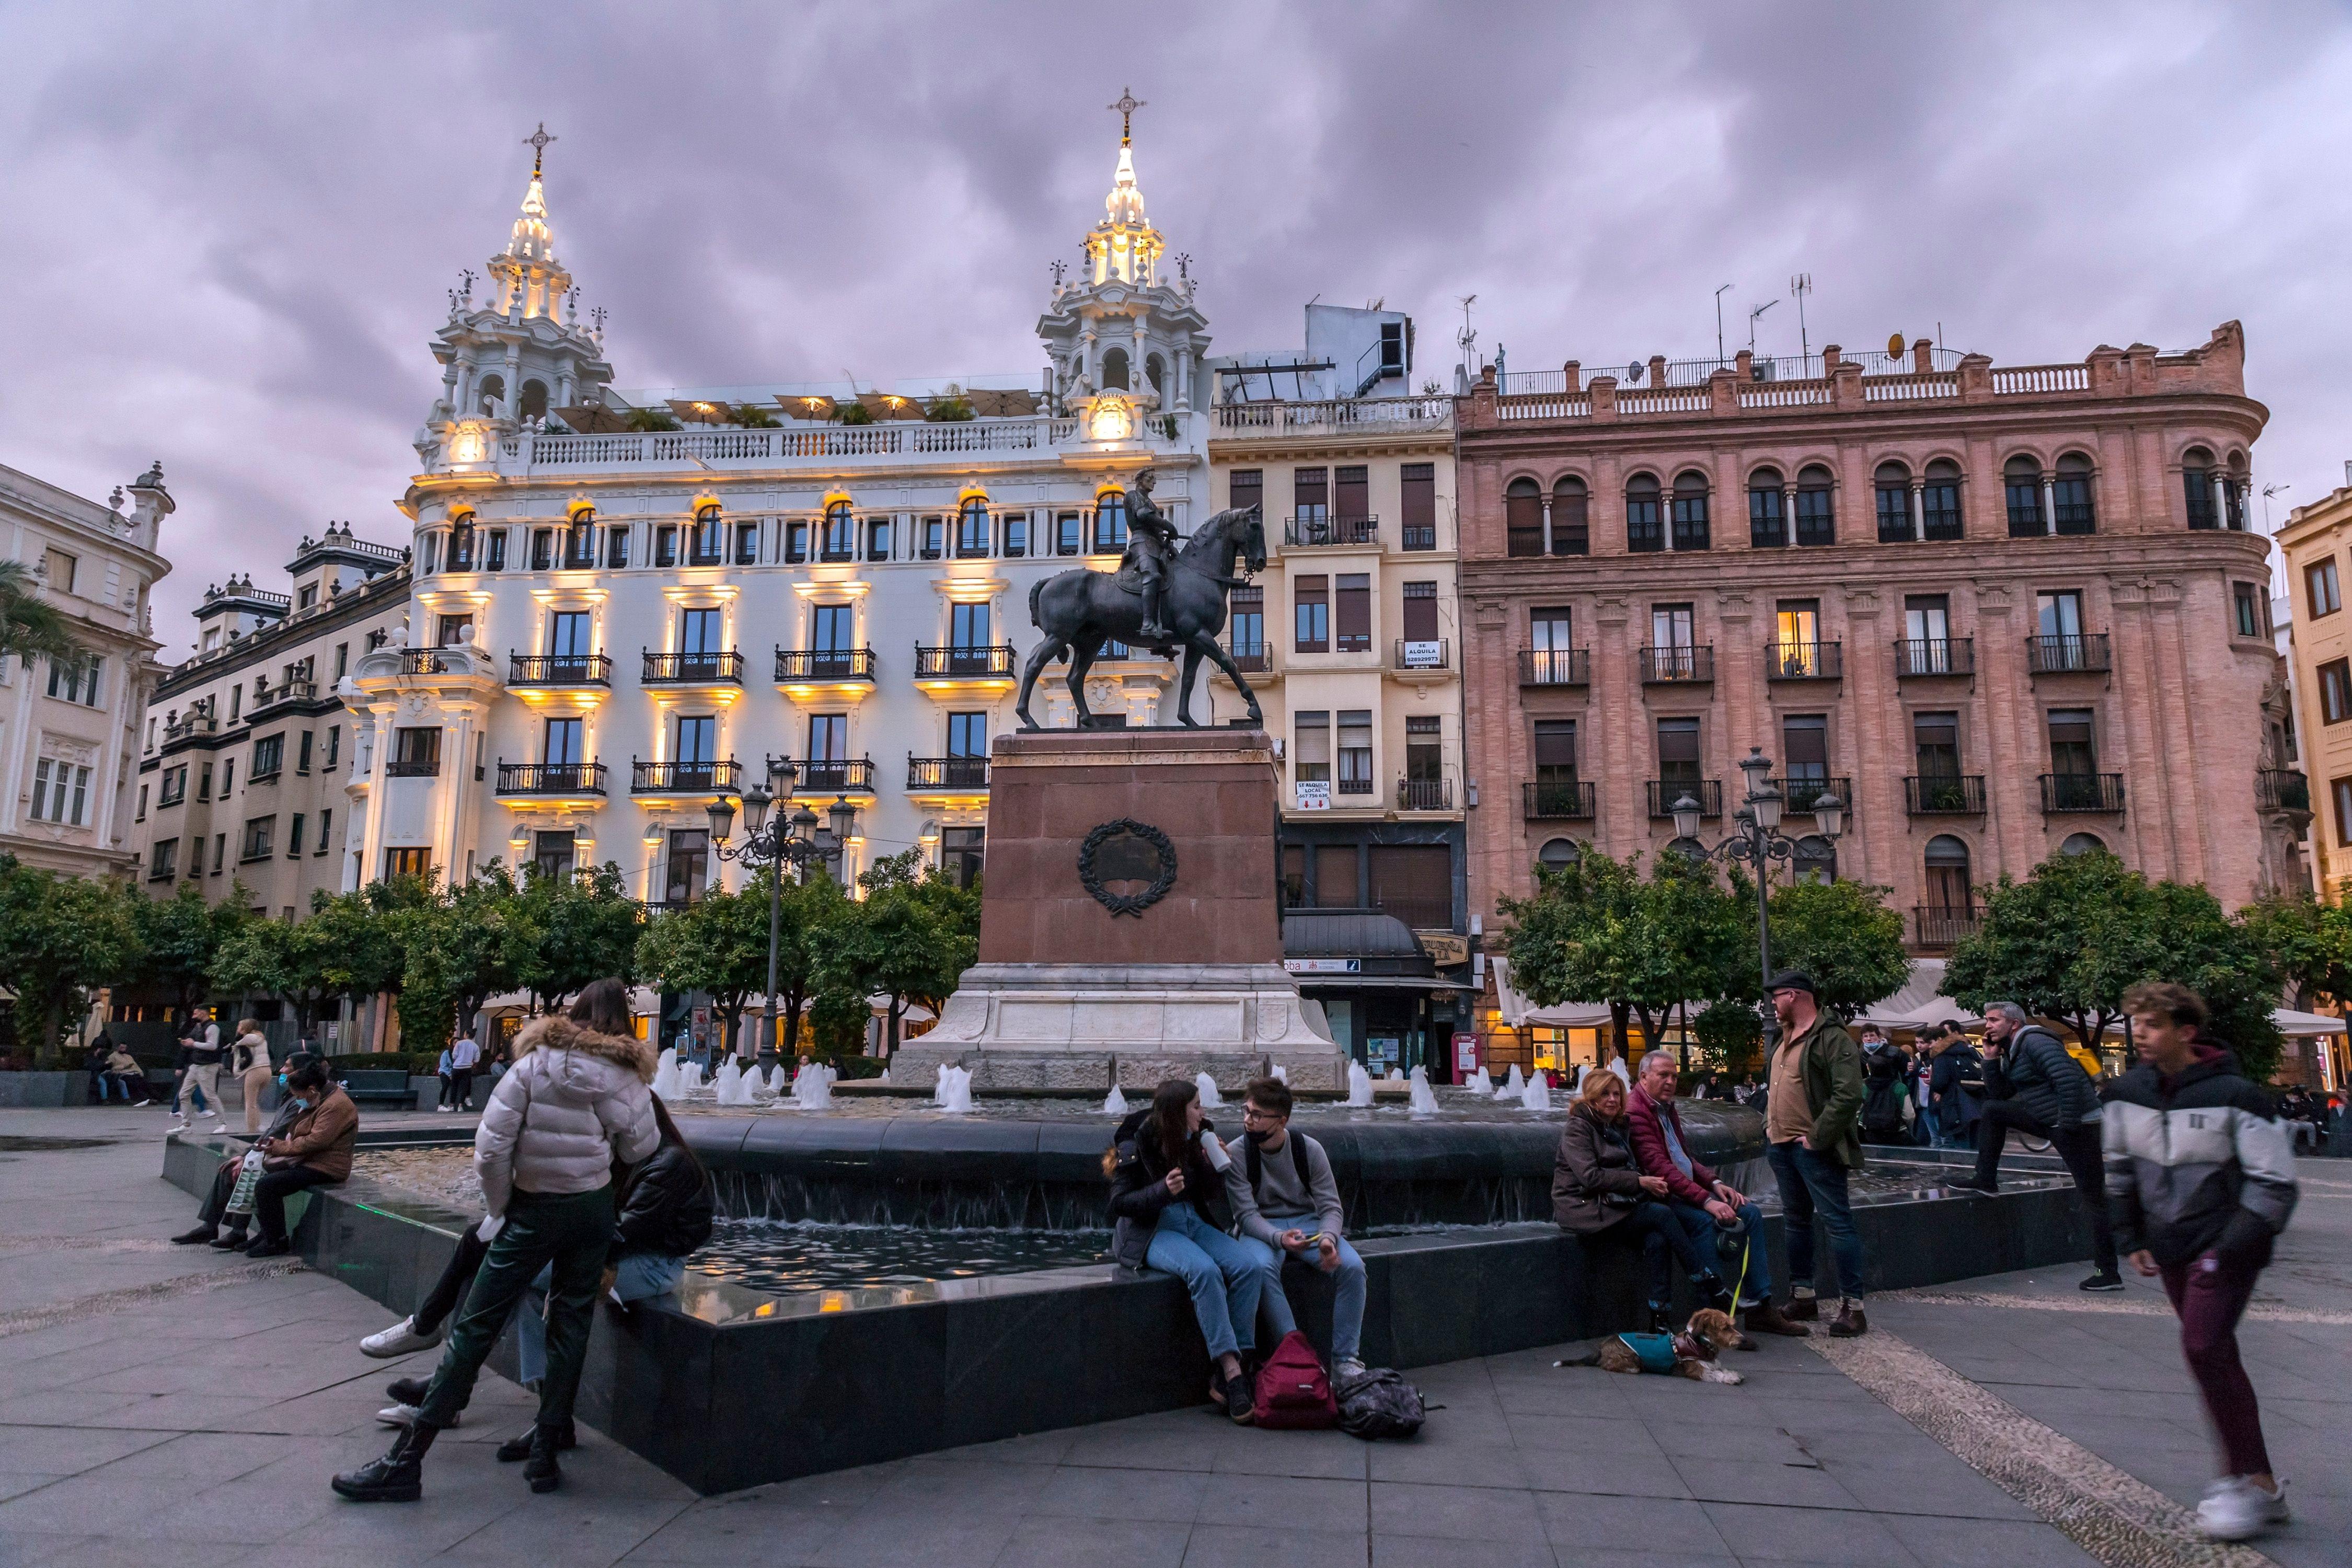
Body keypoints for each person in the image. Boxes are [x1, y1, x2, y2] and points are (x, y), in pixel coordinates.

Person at [332, 978, 658, 1502]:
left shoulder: (533, 1065)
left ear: (572, 1014)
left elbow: (489, 1149)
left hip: (532, 1209)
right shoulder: (624, 1076)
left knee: (475, 1328)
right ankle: (545, 1458)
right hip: (591, 1210)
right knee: (572, 1325)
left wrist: (501, 1206)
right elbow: (643, 1147)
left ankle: (407, 1461)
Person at [2106, 982, 2299, 1542]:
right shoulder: (2124, 1094)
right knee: (2213, 1352)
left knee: (2203, 1345)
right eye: (2136, 1023)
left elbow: (2275, 1183)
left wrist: (2228, 1248)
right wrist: (2129, 1236)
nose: (2141, 1034)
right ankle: (2262, 1484)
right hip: (2169, 1245)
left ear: (2186, 1032)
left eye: (2154, 1024)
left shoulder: (2237, 1095)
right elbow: (2117, 1169)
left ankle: (2237, 1481)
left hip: (2227, 1243)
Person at [1105, 1079, 1265, 1423]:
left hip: (1191, 1220)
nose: (1203, 1112)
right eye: (1196, 1106)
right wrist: (1162, 1190)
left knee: (1249, 1267)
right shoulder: (1136, 1143)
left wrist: (1209, 1163)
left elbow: (1209, 1194)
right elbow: (1119, 1203)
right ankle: (1232, 1371)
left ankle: (1236, 1366)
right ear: (1178, 1113)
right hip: (1152, 1230)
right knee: (1204, 1272)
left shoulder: (1195, 1137)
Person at [1625, 1051, 1808, 1337]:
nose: (1671, 1081)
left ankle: (1761, 1306)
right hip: (1661, 1198)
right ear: (1643, 1078)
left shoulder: (1666, 1106)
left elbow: (1683, 1157)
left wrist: (1714, 1183)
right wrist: (1707, 1201)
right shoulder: (1636, 1111)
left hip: (1685, 1192)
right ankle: (1713, 1319)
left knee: (1750, 1213)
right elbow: (1660, 1168)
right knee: (1706, 1223)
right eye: (1664, 1075)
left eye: (1674, 1075)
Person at [1950, 1001, 2120, 1292]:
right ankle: (1986, 1179)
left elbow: (2067, 1080)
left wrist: (2066, 1127)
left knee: (2093, 1197)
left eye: (1994, 1020)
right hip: (2049, 1119)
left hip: (2078, 1124)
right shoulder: (2011, 1049)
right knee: (1992, 1109)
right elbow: (2002, 1093)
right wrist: (1990, 1060)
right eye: (1987, 1020)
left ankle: (2109, 1272)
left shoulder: (2036, 1042)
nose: (1987, 1026)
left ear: (2014, 1024)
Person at [1552, 1068, 1730, 1333]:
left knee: (1658, 1239)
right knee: (1661, 1214)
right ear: (1590, 1097)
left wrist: (1647, 1182)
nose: (1612, 1099)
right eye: (1604, 1094)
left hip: (1615, 1204)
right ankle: (1706, 1281)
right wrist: (1639, 1182)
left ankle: (1660, 1319)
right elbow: (1590, 1177)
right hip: (1585, 1208)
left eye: (1616, 1094)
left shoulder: (1617, 1126)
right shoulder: (1578, 1128)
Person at [1220, 1076, 1366, 1378]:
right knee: (1261, 1268)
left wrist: (1327, 1239)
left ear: (1282, 1120)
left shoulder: (1308, 1150)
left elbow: (1330, 1207)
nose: (1247, 1120)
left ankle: (1345, 1361)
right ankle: (1295, 1355)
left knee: (1353, 1267)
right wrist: (1278, 1238)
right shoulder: (1236, 1154)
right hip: (1260, 1229)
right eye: (1246, 1111)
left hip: (1307, 1224)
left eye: (1257, 1115)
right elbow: (1246, 1216)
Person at [1761, 971, 1869, 1336]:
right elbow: (1776, 1088)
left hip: (1813, 1149)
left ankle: (1854, 1307)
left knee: (1838, 1223)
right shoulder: (1783, 1037)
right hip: (1780, 1145)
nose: (1772, 1004)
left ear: (1794, 995)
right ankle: (1803, 1296)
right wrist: (1768, 1125)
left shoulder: (1833, 1039)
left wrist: (1817, 1137)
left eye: (1776, 997)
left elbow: (1849, 1094)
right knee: (1796, 1223)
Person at [169, 1055, 319, 1249]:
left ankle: (243, 1232)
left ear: (300, 1072)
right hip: (274, 1149)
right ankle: (211, 1226)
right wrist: (246, 1154)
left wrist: (248, 1156)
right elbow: (271, 1130)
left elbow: (279, 1133)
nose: (281, 1070)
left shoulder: (300, 1100)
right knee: (229, 1169)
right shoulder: (291, 1097)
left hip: (284, 1154)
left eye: (287, 1067)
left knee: (247, 1172)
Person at [170, 1008, 226, 1135]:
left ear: (204, 1013)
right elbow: (192, 1040)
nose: (194, 1015)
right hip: (196, 1065)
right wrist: (188, 1042)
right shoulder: (198, 1026)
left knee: (210, 1095)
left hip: (207, 1066)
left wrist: (193, 1044)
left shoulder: (212, 1027)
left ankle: (222, 1124)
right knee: (184, 1094)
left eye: (196, 1013)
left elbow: (212, 1046)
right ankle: (186, 1124)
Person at [1859, 1029, 1910, 1146]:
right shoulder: (1899, 1087)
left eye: (1871, 1035)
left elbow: (1858, 1109)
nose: (1868, 1039)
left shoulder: (1864, 1085)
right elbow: (1909, 1115)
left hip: (1869, 1130)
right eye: (1865, 1036)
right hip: (1896, 1130)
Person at [230, 1019, 274, 1133]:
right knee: (254, 1101)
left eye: (240, 1026)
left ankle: (251, 1130)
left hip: (255, 1071)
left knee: (250, 1104)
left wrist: (240, 1068)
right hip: (267, 1070)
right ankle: (259, 1125)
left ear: (245, 1028)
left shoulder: (246, 1039)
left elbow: (246, 1057)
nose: (237, 1028)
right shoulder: (262, 1038)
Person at [448, 1029, 481, 1111]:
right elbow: (477, 1059)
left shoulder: (459, 1043)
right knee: (464, 1087)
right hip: (467, 1068)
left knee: (454, 1086)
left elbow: (454, 1056)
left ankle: (451, 1105)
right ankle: (460, 1106)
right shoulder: (475, 1046)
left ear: (466, 1034)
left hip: (457, 1067)